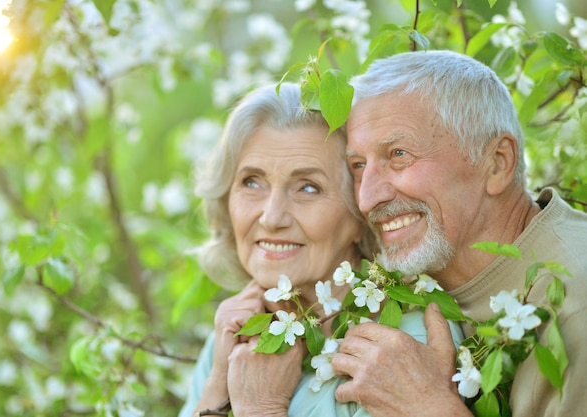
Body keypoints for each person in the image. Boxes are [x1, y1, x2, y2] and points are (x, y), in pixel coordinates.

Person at [178, 82, 463, 417]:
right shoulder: (235, 330)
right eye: (251, 182)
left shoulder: (398, 351)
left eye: (308, 188)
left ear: (360, 214)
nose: (271, 218)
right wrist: (217, 385)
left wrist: (260, 408)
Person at [332, 50, 587, 416]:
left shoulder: (576, 301)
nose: (368, 197)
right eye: (358, 165)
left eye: (399, 154)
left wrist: (428, 406)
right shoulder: (393, 284)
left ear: (497, 164)